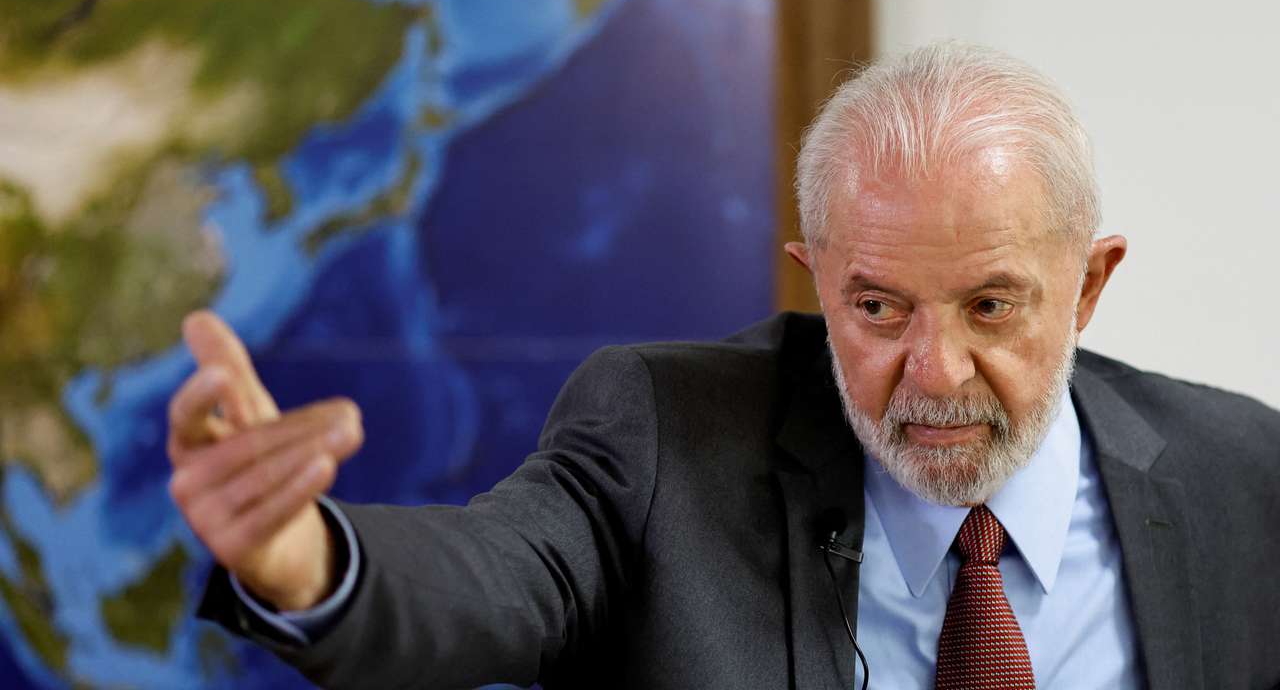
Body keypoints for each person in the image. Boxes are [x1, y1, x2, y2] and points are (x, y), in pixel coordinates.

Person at [169, 43, 1280, 689]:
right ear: (814, 277)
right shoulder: (663, 436)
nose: (932, 369)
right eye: (876, 307)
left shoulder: (1246, 479)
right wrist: (306, 557)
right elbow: (497, 576)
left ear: (1087, 285)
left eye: (989, 306)